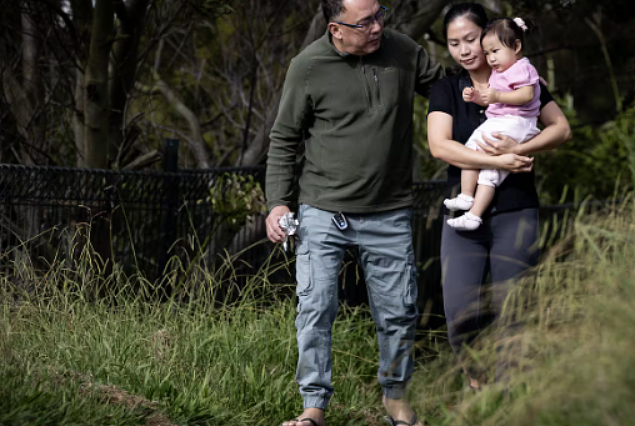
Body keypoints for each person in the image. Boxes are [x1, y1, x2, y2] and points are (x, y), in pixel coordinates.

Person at [264, 0, 443, 425]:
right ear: (336, 28)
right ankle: (313, 407)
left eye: (380, 15)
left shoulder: (403, 51)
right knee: (316, 308)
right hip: (323, 210)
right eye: (365, 22)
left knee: (399, 309)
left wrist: (511, 80)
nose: (377, 27)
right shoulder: (307, 66)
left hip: (389, 209)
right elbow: (285, 138)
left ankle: (396, 401)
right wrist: (278, 202)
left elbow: (450, 89)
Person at [426, 3, 571, 389]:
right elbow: (440, 147)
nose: (465, 50)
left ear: (490, 37)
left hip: (516, 210)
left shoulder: (524, 80)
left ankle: (510, 401)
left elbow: (560, 129)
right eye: (454, 43)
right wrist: (498, 159)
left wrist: (525, 150)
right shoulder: (446, 88)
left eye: (471, 40)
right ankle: (478, 383)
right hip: (462, 209)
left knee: (514, 310)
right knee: (459, 313)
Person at [444, 17, 542, 231]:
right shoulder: (501, 72)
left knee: (481, 156)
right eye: (487, 53)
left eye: (495, 51)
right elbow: (490, 99)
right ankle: (470, 203)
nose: (490, 58)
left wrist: (498, 95)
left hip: (518, 121)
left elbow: (526, 95)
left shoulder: (522, 68)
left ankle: (470, 204)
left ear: (516, 46)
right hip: (504, 121)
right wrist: (476, 97)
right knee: (479, 158)